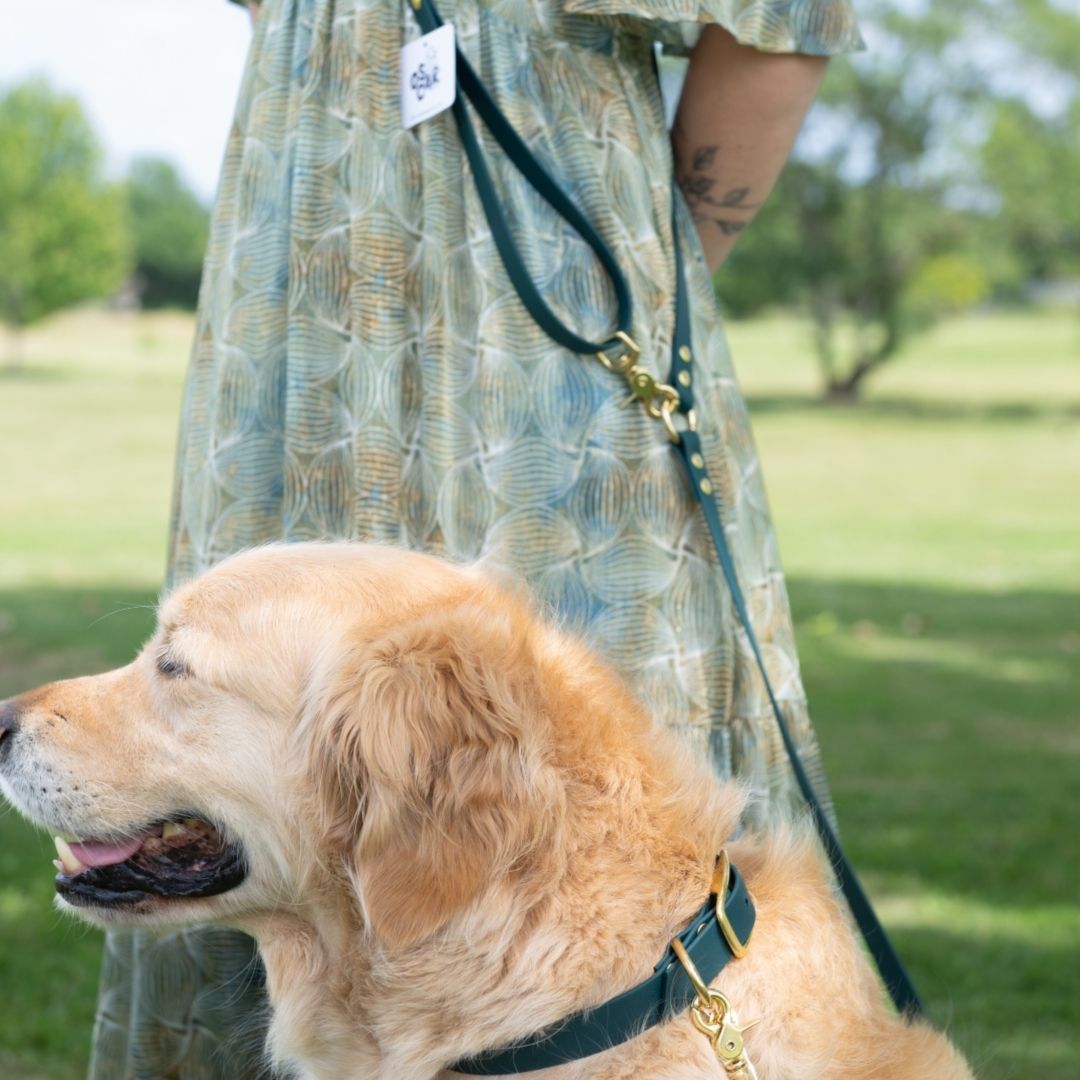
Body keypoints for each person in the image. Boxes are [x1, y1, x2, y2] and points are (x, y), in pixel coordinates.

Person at [90, 0, 862, 1074]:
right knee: (229, 719)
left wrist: (634, 276)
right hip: (309, 286)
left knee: (584, 768)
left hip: (538, 322)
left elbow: (780, 20)